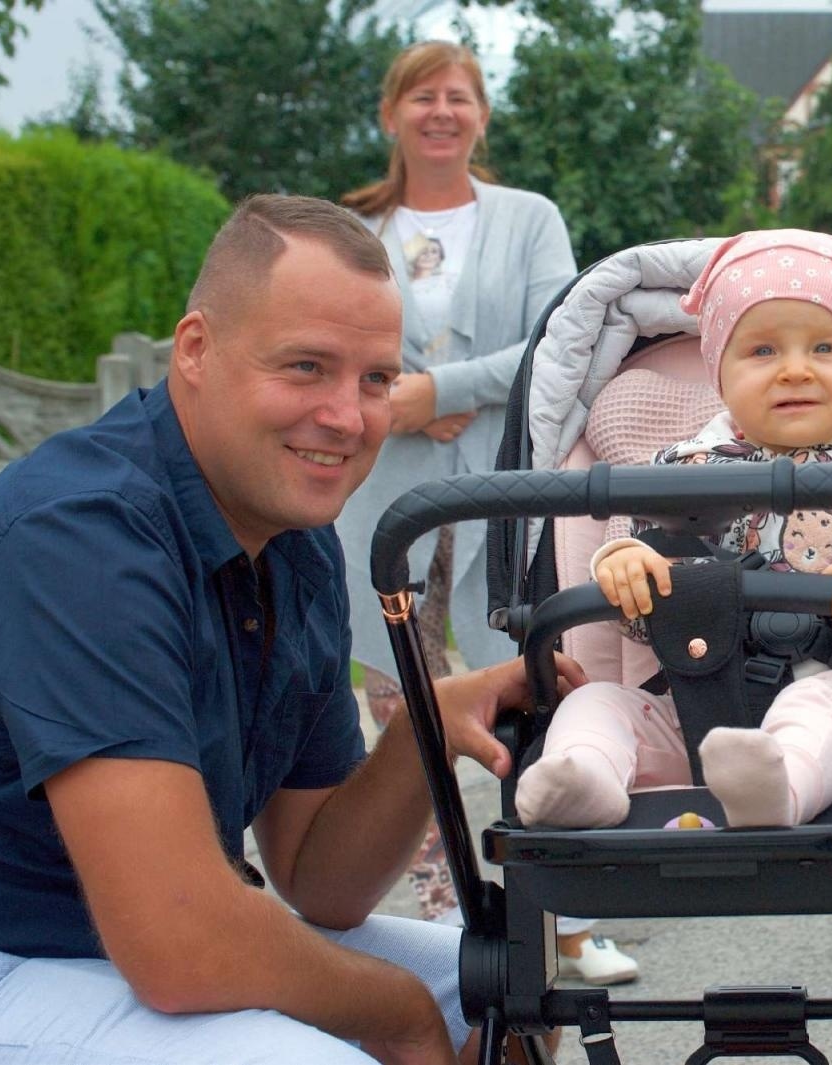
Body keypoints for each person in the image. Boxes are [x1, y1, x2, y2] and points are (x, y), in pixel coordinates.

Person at [0, 194, 585, 1064]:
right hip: (7, 963)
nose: (348, 415)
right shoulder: (84, 539)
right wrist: (397, 1018)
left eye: (376, 379)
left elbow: (317, 877)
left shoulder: (293, 544)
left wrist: (423, 726)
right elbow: (180, 939)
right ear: (196, 349)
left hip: (137, 948)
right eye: (306, 367)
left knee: (507, 988)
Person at [337, 41, 633, 984]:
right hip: (384, 510)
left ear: (481, 116)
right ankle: (448, 922)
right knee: (408, 720)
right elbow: (333, 347)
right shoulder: (353, 228)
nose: (441, 111)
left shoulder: (526, 219)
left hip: (503, 503)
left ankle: (570, 923)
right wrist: (399, 398)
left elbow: (559, 339)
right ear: (391, 114)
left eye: (458, 96)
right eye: (422, 96)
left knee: (537, 694)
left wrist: (442, 388)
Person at [514, 229, 832, 830]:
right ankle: (584, 778)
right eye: (761, 352)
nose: (794, 371)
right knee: (600, 703)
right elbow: (636, 619)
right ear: (720, 375)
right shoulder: (680, 473)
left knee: (822, 706)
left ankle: (779, 788)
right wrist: (625, 567)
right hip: (696, 710)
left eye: (826, 349)